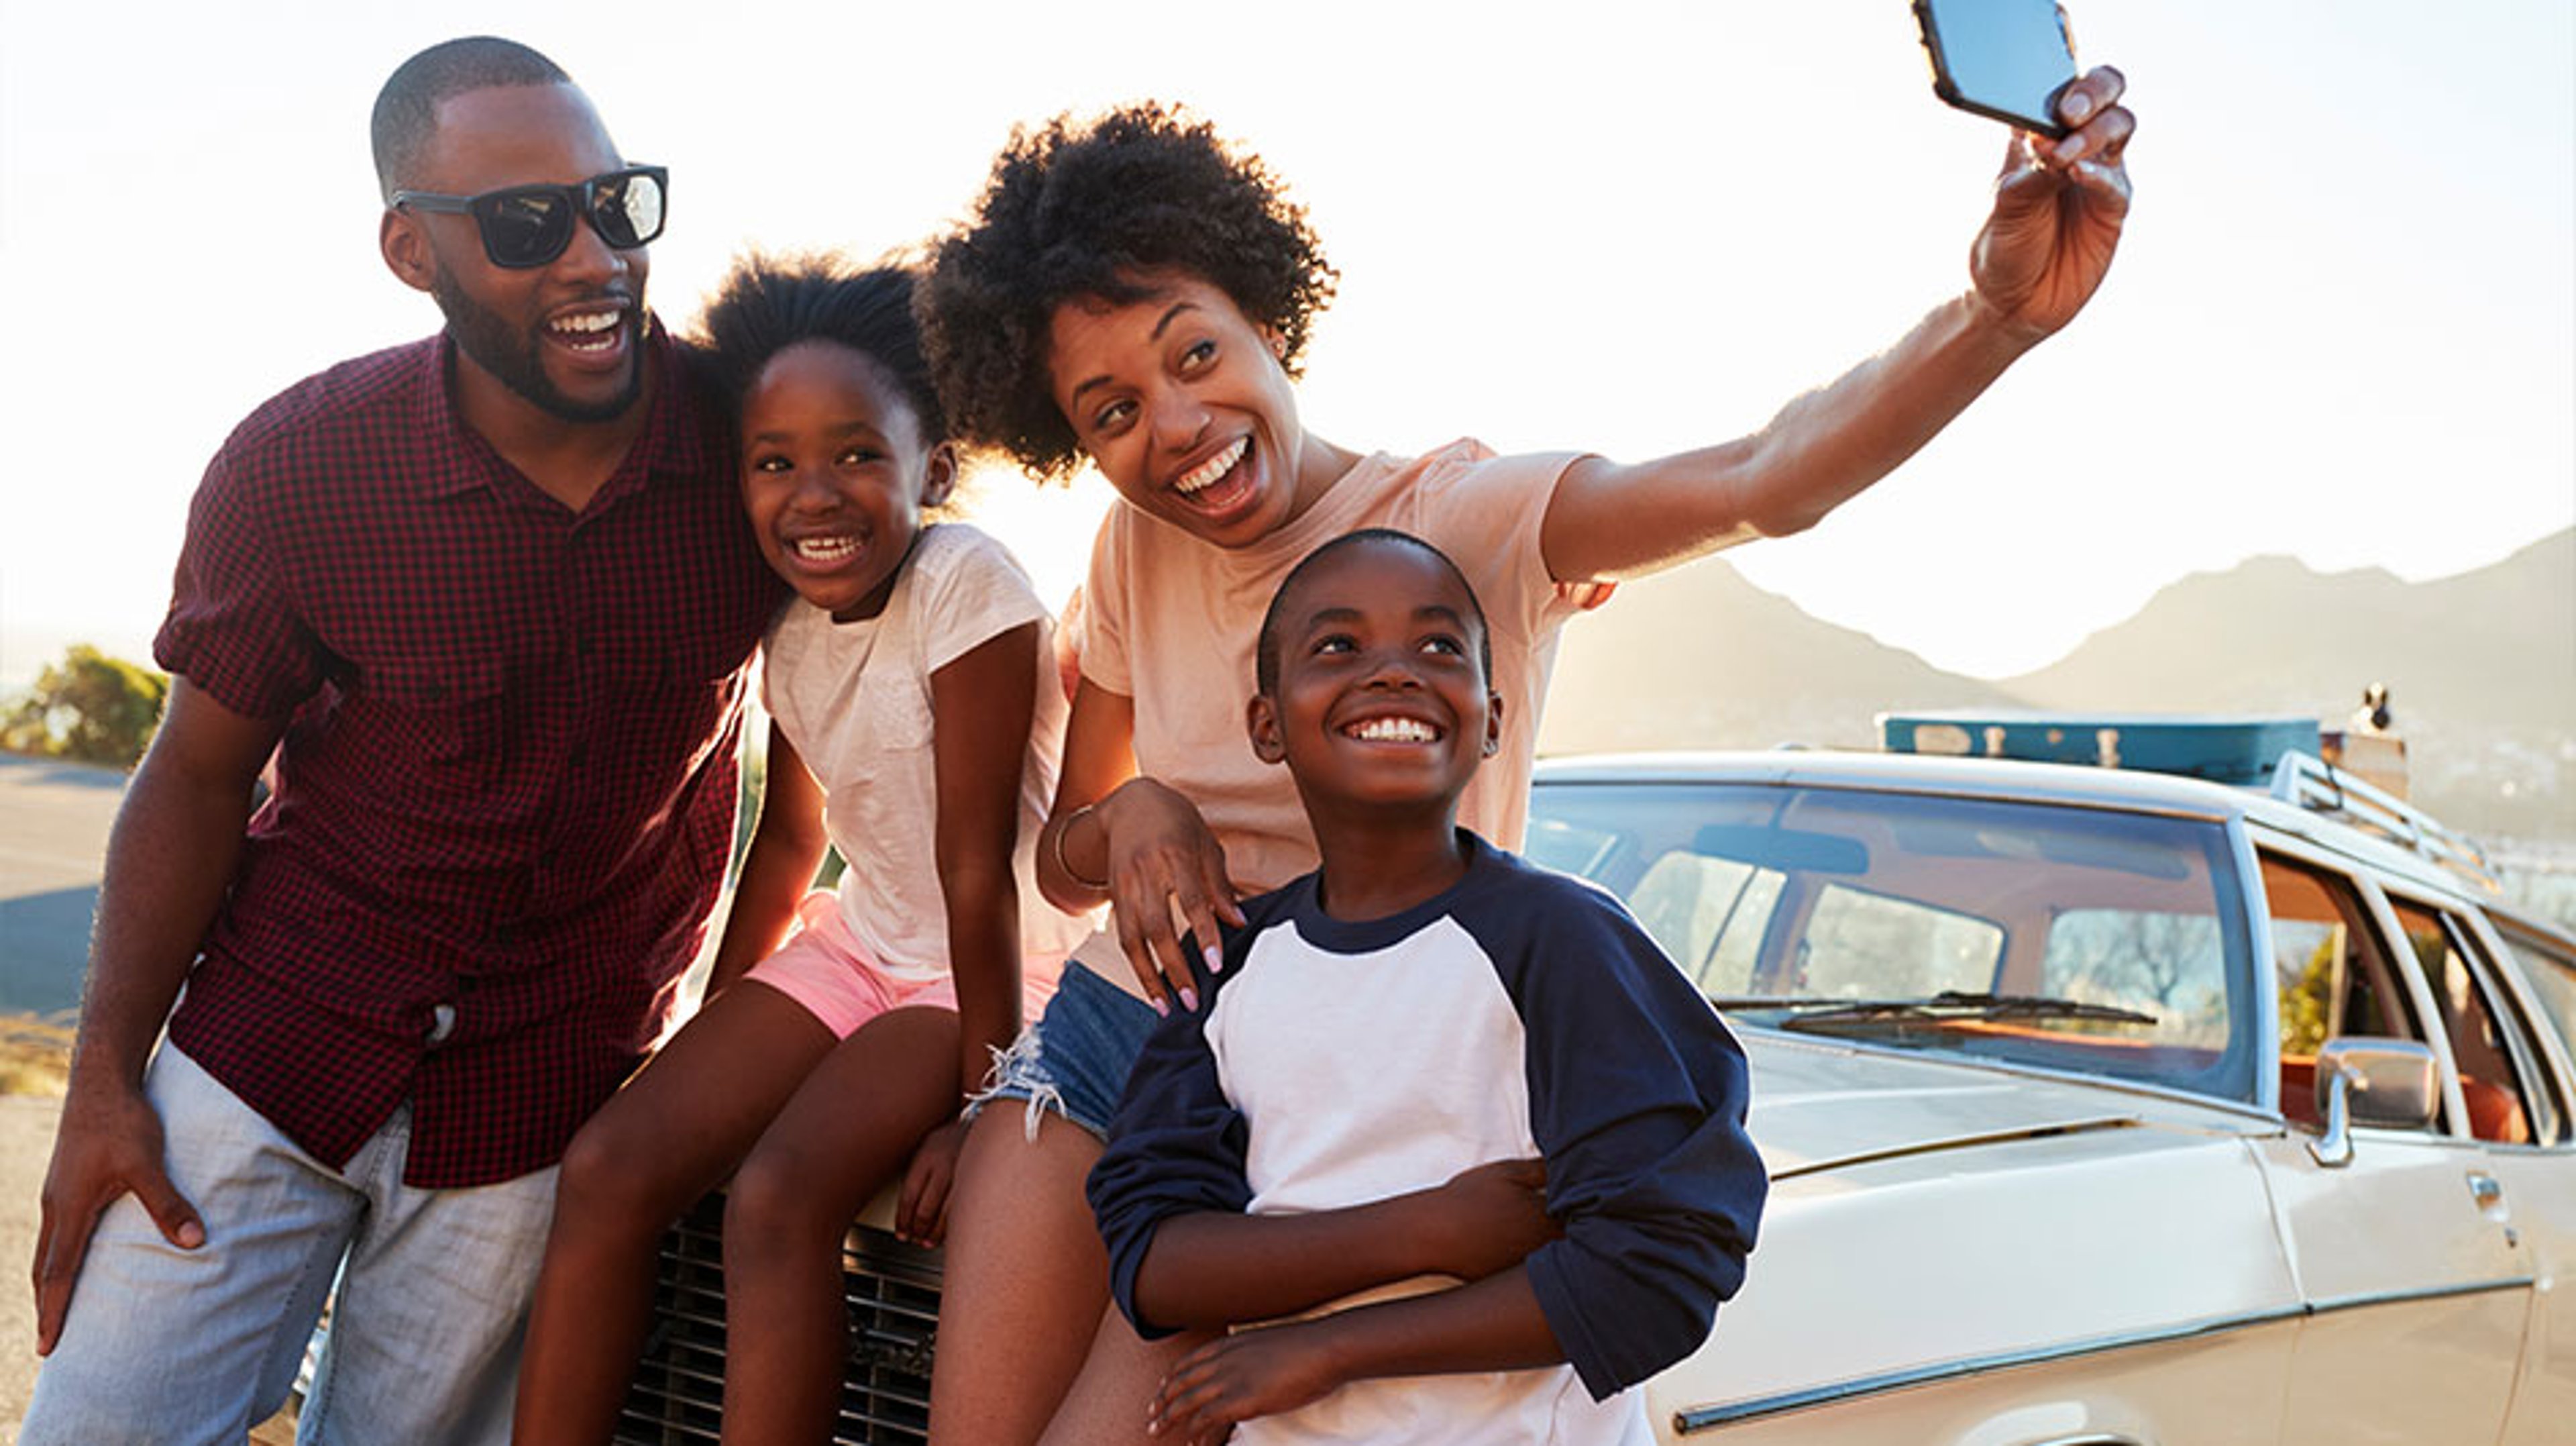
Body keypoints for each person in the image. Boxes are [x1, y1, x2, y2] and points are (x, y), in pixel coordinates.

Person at [913, 80, 2131, 1443]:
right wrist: (1132, 812)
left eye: (1194, 354)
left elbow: (1769, 474)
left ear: (1266, 312)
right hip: (1110, 1039)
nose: (1174, 425)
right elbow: (1062, 852)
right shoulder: (1135, 549)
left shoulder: (1460, 521)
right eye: (1111, 411)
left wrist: (1998, 319)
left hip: (1321, 1100)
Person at [22, 38, 783, 1445]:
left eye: (615, 205)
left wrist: (722, 1031)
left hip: (545, 1088)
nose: (591, 259)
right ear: (408, 250)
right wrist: (104, 1089)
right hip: (268, 1041)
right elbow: (193, 777)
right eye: (523, 223)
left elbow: (830, 746)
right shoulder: (302, 464)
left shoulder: (759, 453)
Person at [512, 254, 1090, 1445]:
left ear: (931, 467)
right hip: (861, 945)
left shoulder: (965, 585)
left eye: (855, 456)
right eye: (774, 462)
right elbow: (789, 841)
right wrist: (712, 1041)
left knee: (778, 1198)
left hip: (994, 971)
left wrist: (985, 1106)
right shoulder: (783, 620)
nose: (812, 494)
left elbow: (978, 870)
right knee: (612, 1167)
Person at [1087, 529, 1764, 1443]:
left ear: (1491, 719)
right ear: (1267, 724)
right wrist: (1431, 1230)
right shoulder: (1232, 968)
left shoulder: (1563, 941)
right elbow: (1153, 1260)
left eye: (1438, 646)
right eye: (1338, 647)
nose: (1395, 671)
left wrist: (1330, 1349)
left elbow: (1663, 1267)